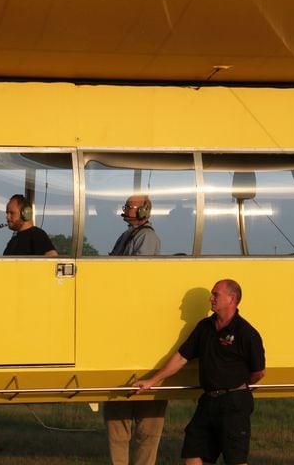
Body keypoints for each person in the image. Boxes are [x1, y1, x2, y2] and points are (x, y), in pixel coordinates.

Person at [134, 279, 266, 465]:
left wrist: (238, 388)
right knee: (193, 452)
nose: (211, 298)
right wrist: (151, 381)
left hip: (234, 404)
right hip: (208, 401)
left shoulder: (246, 333)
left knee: (235, 459)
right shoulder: (204, 327)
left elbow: (259, 372)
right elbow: (181, 357)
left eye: (215, 294)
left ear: (232, 299)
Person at [104, 194, 166, 465]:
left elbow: (136, 274)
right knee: (117, 425)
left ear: (143, 210)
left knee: (147, 430)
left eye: (129, 206)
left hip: (136, 320)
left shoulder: (146, 238)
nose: (125, 209)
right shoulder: (127, 235)